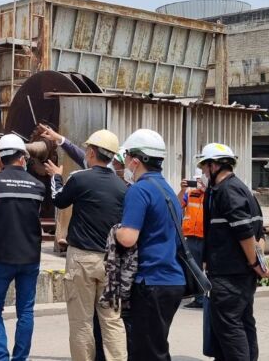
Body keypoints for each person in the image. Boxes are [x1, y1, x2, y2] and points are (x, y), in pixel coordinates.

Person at [47, 130, 128, 361]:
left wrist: (56, 176)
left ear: (91, 152)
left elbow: (58, 199)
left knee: (81, 322)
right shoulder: (122, 187)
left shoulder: (80, 178)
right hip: (111, 262)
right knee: (112, 321)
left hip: (81, 258)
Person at [115, 129, 185, 361]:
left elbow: (128, 238)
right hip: (172, 280)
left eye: (125, 158)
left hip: (151, 281)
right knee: (155, 347)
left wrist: (114, 231)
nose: (124, 164)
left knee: (146, 352)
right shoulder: (167, 189)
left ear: (136, 161)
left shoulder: (140, 190)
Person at [199, 143, 269, 361]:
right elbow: (260, 233)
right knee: (243, 324)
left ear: (214, 166)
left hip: (229, 276)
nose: (202, 172)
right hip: (242, 277)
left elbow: (245, 233)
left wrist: (255, 264)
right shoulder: (242, 189)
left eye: (204, 167)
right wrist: (258, 265)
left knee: (230, 329)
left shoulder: (227, 191)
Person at [0, 134, 45, 361]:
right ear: (23, 157)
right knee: (25, 311)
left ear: (0, 158)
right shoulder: (38, 186)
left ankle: (1, 357)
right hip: (29, 257)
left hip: (0, 256)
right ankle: (20, 358)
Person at [178, 169, 207, 310]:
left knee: (209, 269)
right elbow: (177, 206)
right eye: (197, 180)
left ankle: (209, 298)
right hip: (192, 237)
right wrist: (182, 190)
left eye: (201, 179)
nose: (199, 182)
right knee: (194, 269)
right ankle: (199, 298)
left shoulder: (214, 194)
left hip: (207, 237)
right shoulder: (190, 194)